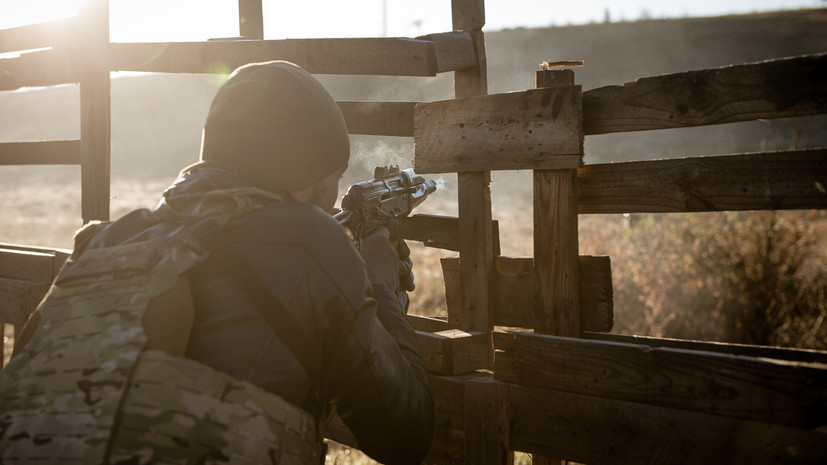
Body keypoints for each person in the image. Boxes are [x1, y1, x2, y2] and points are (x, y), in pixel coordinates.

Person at [0, 61, 434, 465]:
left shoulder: (111, 238)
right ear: (301, 184)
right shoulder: (307, 239)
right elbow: (406, 434)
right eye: (333, 178)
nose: (334, 198)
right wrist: (377, 281)